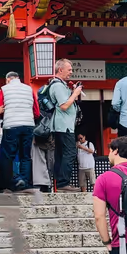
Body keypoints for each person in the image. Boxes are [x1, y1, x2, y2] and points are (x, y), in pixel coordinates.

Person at [0, 71, 40, 193]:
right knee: (25, 156)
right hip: (28, 125)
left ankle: (7, 184)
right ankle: (25, 183)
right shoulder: (29, 89)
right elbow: (36, 111)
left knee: (7, 156)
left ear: (8, 79)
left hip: (11, 126)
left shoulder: (4, 89)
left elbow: (0, 108)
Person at [48, 59, 82, 192]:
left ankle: (59, 183)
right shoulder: (58, 85)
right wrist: (75, 94)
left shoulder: (60, 85)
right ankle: (63, 182)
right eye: (69, 70)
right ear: (60, 70)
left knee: (61, 154)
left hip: (62, 125)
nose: (71, 72)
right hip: (64, 125)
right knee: (69, 152)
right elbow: (64, 105)